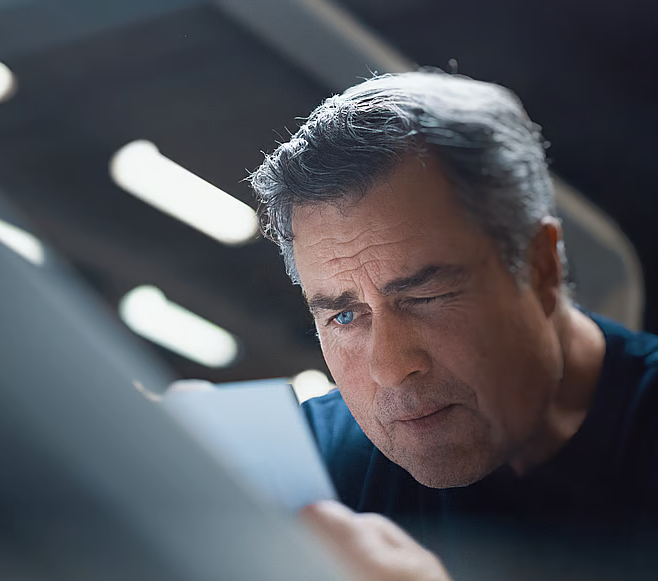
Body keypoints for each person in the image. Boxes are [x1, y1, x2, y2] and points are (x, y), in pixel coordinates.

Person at [248, 70, 658, 580]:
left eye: (427, 294)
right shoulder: (307, 472)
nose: (391, 368)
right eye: (345, 315)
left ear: (541, 268)